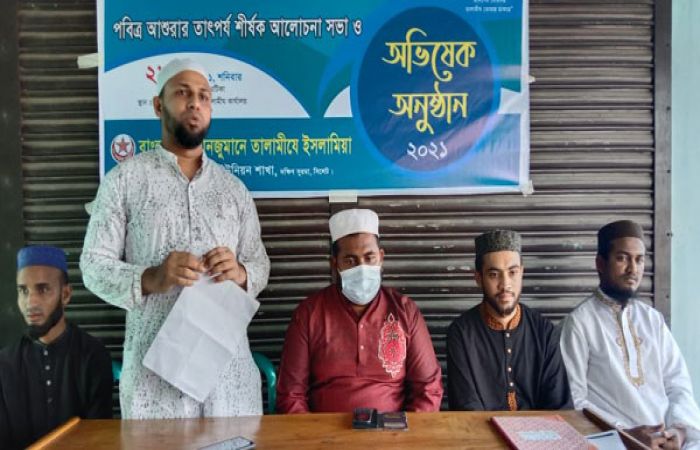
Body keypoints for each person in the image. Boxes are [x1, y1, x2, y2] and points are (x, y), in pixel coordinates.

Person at [80, 58, 270, 419]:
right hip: (155, 387)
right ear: (158, 105)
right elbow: (92, 266)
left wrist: (242, 273)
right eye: (183, 93)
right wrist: (152, 277)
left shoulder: (234, 190)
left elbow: (259, 263)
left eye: (204, 96)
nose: (195, 103)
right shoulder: (124, 181)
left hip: (228, 384)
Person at [276, 208, 443, 413]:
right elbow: (291, 394)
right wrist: (315, 432)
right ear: (334, 264)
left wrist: (405, 431)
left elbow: (428, 389)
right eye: (350, 260)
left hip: (392, 429)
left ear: (381, 258)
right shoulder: (309, 314)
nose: (361, 268)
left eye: (369, 258)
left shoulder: (405, 311)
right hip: (323, 431)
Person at [560, 220, 700, 449]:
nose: (632, 269)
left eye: (639, 259)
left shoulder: (652, 320)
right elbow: (575, 402)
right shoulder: (580, 323)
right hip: (614, 443)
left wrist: (680, 431)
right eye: (622, 258)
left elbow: (678, 385)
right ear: (600, 263)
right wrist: (625, 436)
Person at [0, 246, 112, 449]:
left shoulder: (92, 356)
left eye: (43, 289)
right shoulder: (6, 364)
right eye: (23, 291)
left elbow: (99, 440)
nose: (31, 302)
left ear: (66, 294)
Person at [446, 229, 572, 411]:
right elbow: (466, 409)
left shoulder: (544, 332)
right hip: (481, 429)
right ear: (479, 278)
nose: (505, 284)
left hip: (541, 429)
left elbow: (559, 406)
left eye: (512, 272)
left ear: (521, 273)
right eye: (494, 274)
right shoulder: (462, 333)